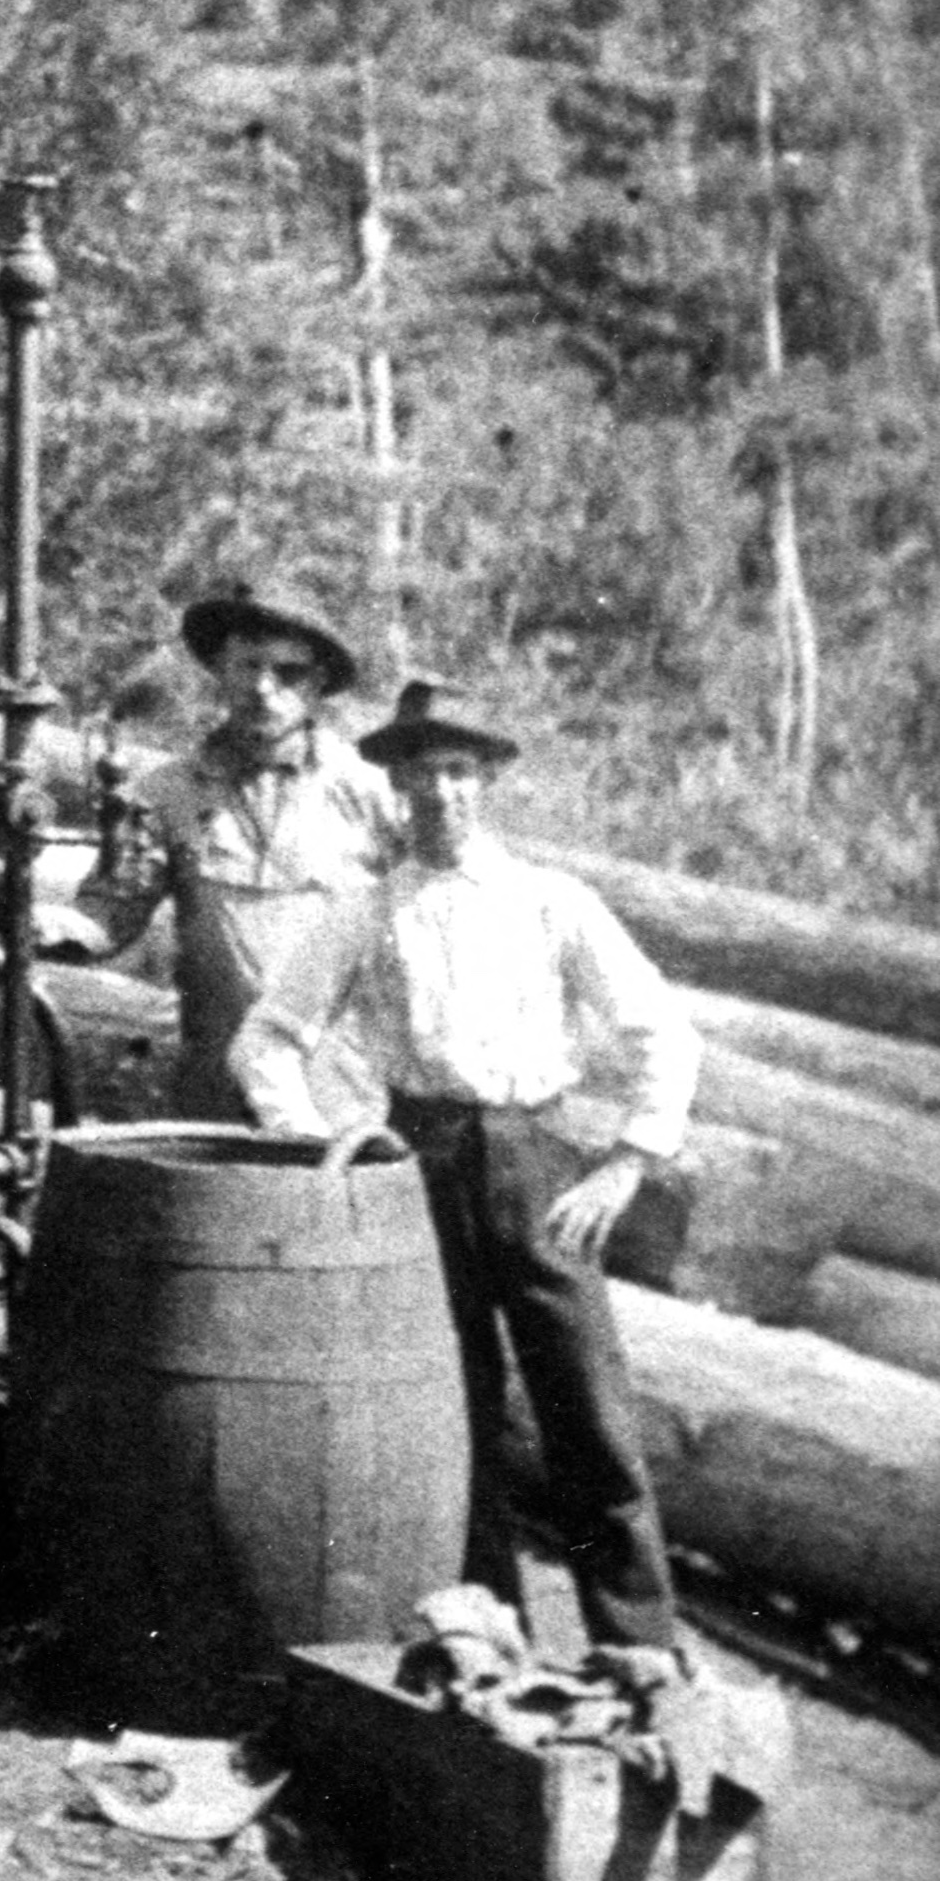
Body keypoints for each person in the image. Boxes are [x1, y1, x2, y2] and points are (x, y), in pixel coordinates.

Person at [228, 683, 695, 1660]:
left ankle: (635, 1641)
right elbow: (265, 1039)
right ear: (393, 783)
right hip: (415, 1164)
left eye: (457, 770)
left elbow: (657, 1025)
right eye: (418, 771)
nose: (437, 791)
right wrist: (325, 1138)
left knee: (585, 1410)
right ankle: (485, 1635)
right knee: (449, 1412)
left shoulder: (548, 902)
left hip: (533, 1159)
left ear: (484, 780)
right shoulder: (364, 911)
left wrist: (625, 1159)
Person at [51, 585, 408, 1124]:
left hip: (339, 1088)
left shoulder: (368, 794)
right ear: (220, 669)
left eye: (288, 674)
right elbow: (111, 913)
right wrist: (53, 925)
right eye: (248, 668)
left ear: (317, 687)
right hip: (217, 1086)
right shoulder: (166, 795)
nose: (264, 689)